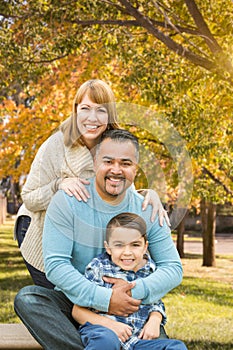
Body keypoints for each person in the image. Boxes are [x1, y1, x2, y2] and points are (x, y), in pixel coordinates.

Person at [14, 129, 183, 350]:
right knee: (29, 299)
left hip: (132, 307)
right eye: (108, 161)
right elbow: (56, 266)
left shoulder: (147, 207)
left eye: (126, 163)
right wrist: (105, 299)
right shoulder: (67, 201)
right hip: (77, 302)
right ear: (95, 162)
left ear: (136, 168)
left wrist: (132, 292)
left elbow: (172, 268)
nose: (116, 170)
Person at [14, 79, 168, 289]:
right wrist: (58, 184)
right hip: (38, 230)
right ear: (76, 110)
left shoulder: (114, 143)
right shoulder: (56, 145)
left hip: (83, 238)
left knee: (87, 297)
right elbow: (30, 197)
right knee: (61, 298)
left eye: (101, 110)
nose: (92, 118)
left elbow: (120, 186)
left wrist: (148, 194)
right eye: (85, 109)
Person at [73, 212, 187, 350]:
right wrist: (111, 325)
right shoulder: (99, 268)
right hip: (103, 331)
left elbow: (156, 302)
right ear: (108, 247)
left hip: (137, 340)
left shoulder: (149, 270)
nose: (127, 252)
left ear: (145, 247)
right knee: (106, 341)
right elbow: (78, 311)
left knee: (176, 347)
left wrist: (155, 320)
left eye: (135, 245)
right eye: (119, 245)